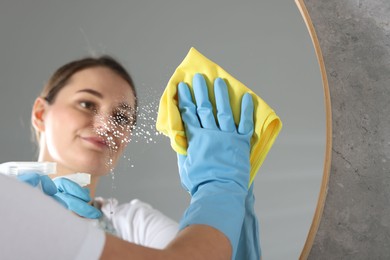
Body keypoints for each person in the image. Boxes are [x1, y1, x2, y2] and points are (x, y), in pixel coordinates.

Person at [7, 56, 259, 259]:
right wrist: (219, 187)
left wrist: (237, 211)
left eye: (121, 118)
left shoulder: (133, 224)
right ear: (41, 113)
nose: (106, 124)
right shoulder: (6, 195)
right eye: (86, 104)